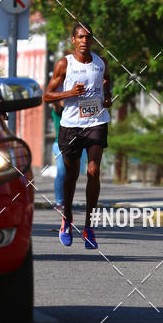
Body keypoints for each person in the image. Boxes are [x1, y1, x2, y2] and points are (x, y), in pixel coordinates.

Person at [43, 22, 111, 249]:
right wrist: (69, 93)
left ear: (92, 40)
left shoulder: (101, 63)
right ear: (73, 40)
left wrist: (108, 97)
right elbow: (47, 96)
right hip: (71, 125)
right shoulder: (65, 64)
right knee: (71, 175)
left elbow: (106, 83)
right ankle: (67, 218)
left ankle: (89, 225)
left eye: (88, 37)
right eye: (80, 37)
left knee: (93, 170)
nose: (84, 41)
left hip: (97, 121)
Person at [50, 100, 87, 211]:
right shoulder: (59, 111)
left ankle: (67, 201)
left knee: (72, 173)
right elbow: (55, 102)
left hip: (74, 144)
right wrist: (59, 94)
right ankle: (59, 202)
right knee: (61, 172)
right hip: (59, 144)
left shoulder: (75, 111)